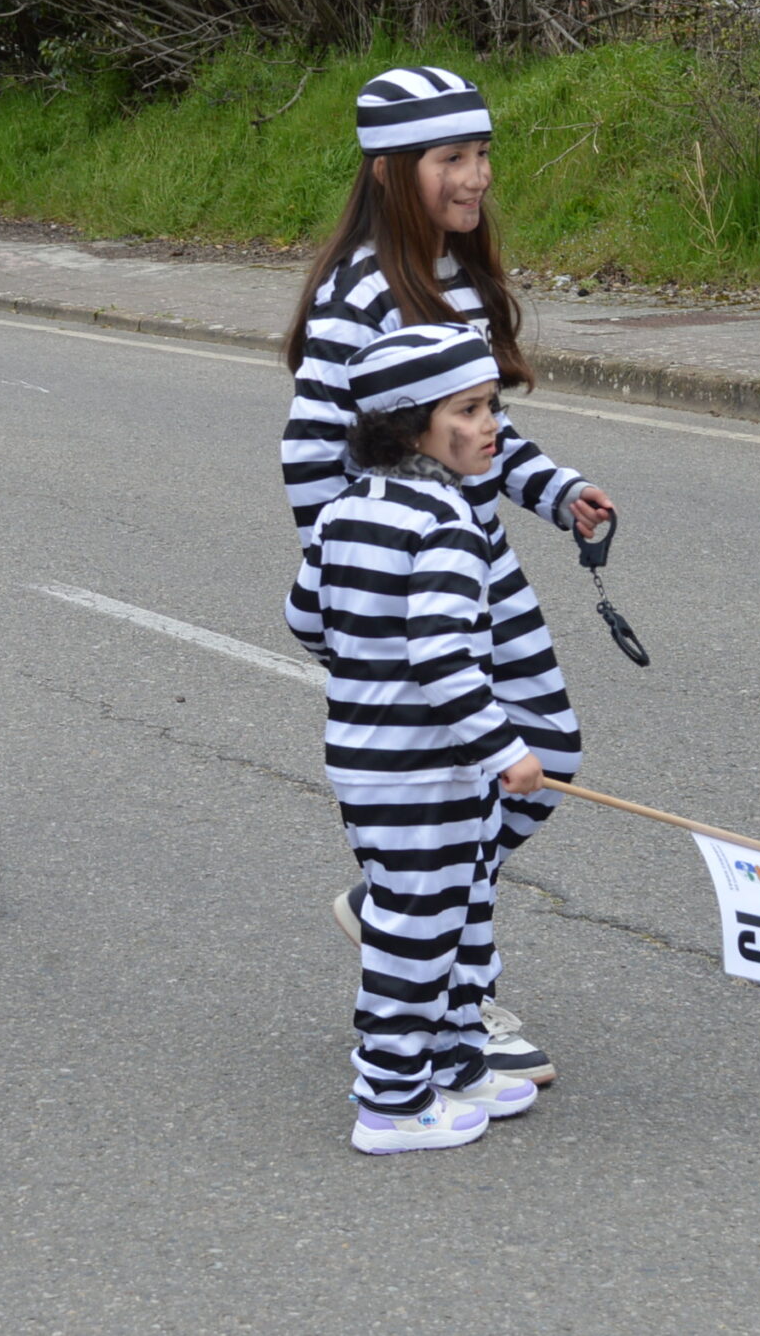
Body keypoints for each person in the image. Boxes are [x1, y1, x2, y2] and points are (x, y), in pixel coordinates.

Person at [281, 65, 614, 1091]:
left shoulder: (454, 277)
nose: (474, 177)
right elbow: (308, 454)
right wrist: (348, 586)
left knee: (542, 750)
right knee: (462, 790)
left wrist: (558, 493)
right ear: (390, 171)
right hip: (407, 579)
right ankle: (441, 970)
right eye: (449, 159)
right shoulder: (359, 293)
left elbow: (481, 431)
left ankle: (407, 915)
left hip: (478, 564)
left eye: (479, 153)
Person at [287, 323, 549, 1154]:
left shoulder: (343, 510)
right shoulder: (443, 522)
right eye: (467, 410)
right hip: (423, 769)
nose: (489, 425)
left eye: (492, 405)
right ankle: (392, 1100)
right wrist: (504, 748)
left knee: (466, 910)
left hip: (376, 763)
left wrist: (362, 668)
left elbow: (303, 618)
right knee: (416, 927)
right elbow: (442, 656)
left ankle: (459, 1061)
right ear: (409, 427)